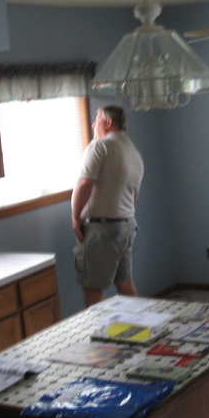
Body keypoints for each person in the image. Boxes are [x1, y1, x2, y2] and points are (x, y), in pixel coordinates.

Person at [71, 105, 144, 307]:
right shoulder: (133, 152)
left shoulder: (100, 146)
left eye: (97, 120)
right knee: (125, 282)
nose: (93, 124)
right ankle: (139, 329)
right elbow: (134, 195)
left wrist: (76, 217)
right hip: (127, 225)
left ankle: (99, 335)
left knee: (93, 288)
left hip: (102, 229)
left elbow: (85, 183)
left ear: (109, 123)